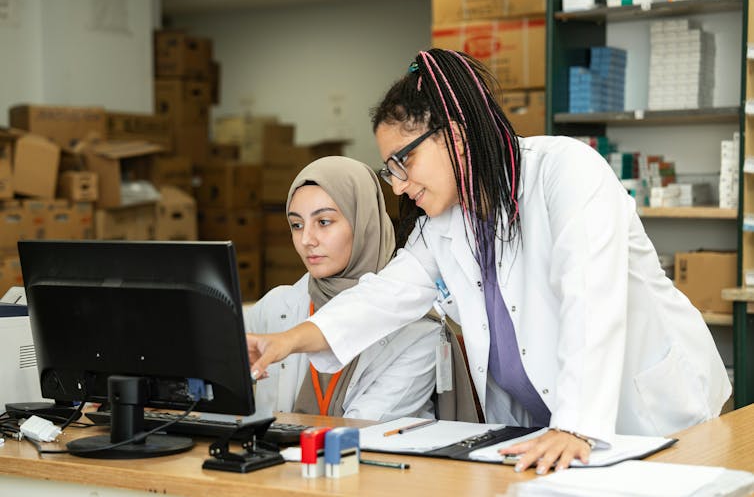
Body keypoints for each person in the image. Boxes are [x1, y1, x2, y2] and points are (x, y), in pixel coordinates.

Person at [246, 49, 731, 473]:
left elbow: (591, 303)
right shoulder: (443, 223)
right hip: (544, 427)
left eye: (402, 163)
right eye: (387, 169)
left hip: (645, 413)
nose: (396, 186)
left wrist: (578, 425)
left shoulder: (566, 173)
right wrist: (285, 341)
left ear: (453, 138)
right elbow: (384, 296)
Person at [244, 155, 442, 421]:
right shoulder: (277, 305)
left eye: (324, 222)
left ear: (364, 222)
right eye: (296, 225)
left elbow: (361, 430)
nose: (306, 240)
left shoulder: (420, 332)